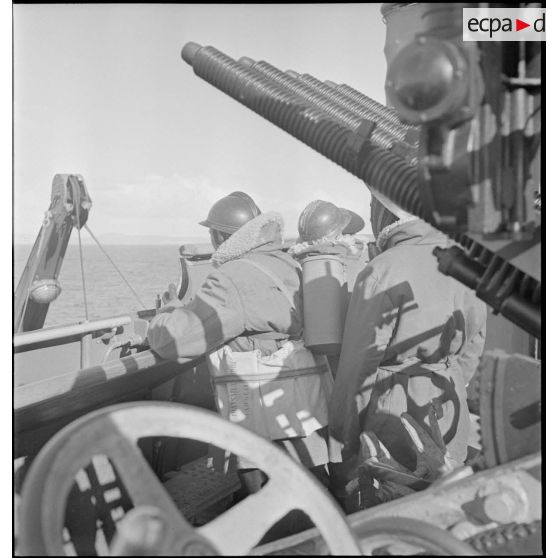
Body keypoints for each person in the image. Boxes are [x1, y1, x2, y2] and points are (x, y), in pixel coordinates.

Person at [147, 191, 335, 502]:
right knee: (312, 494)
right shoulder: (290, 263)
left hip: (264, 422)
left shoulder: (231, 278)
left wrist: (168, 311)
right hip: (307, 412)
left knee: (269, 508)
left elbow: (174, 341)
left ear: (219, 235)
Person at [328, 190, 487, 509]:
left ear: (387, 213)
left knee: (397, 507)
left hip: (395, 410)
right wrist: (450, 378)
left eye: (373, 206)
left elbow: (357, 370)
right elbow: (474, 342)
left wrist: (343, 445)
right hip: (450, 398)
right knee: (447, 502)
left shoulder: (381, 270)